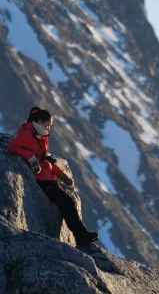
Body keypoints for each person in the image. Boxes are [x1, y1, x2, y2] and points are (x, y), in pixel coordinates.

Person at [7, 106, 99, 247]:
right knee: (67, 203)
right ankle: (80, 236)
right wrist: (30, 157)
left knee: (67, 202)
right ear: (38, 121)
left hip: (49, 178)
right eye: (47, 125)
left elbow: (46, 160)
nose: (49, 129)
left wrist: (61, 175)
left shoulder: (41, 136)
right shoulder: (26, 135)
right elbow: (12, 147)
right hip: (43, 181)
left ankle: (81, 234)